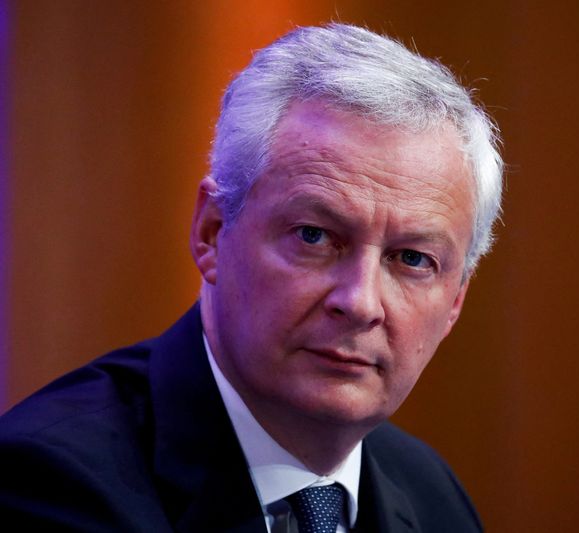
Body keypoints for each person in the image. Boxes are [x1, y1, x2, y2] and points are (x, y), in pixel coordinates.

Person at [0, 23, 503, 532]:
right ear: (212, 232)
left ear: (456, 300)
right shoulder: (49, 487)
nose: (361, 302)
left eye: (412, 260)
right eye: (313, 235)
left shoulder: (433, 496)